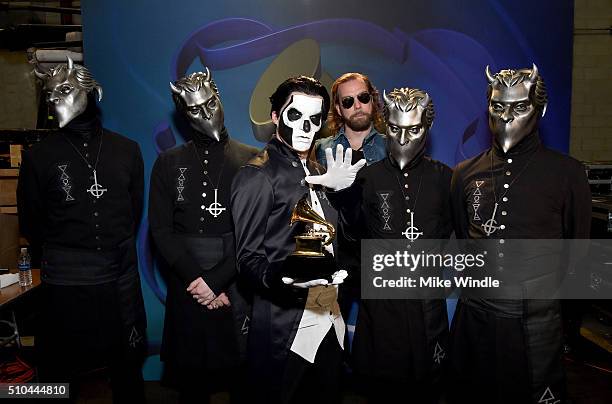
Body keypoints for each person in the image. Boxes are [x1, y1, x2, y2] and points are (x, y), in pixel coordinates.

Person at [449, 64, 591, 403]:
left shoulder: (567, 173)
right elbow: (462, 235)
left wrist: (565, 325)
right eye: (498, 107)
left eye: (520, 107)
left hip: (537, 326)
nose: (506, 116)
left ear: (540, 109)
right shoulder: (465, 173)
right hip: (475, 320)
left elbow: (578, 256)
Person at [308, 87, 452, 403]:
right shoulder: (368, 177)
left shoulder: (445, 178)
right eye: (396, 129)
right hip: (382, 306)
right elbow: (351, 235)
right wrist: (344, 198)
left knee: (429, 386)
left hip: (427, 304)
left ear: (427, 128)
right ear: (387, 125)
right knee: (379, 387)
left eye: (413, 129)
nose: (403, 139)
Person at [18, 57, 146, 402]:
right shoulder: (38, 157)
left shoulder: (127, 150)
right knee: (57, 371)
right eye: (49, 95)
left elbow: (132, 213)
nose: (54, 100)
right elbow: (32, 223)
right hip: (65, 283)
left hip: (120, 278)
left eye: (64, 90)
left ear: (93, 92)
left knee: (127, 366)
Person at [231, 76, 360, 404]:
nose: (306, 127)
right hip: (284, 328)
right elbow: (247, 260)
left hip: (330, 322)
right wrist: (286, 278)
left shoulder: (321, 172)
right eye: (295, 115)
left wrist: (346, 197)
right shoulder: (256, 175)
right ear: (275, 116)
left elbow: (344, 242)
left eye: (315, 119)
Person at [148, 69, 258, 403]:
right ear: (183, 116)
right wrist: (200, 282)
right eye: (194, 109)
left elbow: (257, 232)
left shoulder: (255, 158)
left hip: (238, 281)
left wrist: (219, 280)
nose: (206, 113)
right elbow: (160, 230)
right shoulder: (168, 163)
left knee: (245, 380)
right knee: (192, 385)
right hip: (188, 283)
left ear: (219, 99)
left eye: (210, 103)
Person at [313, 73, 387, 319]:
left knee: (381, 338)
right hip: (334, 257)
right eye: (347, 101)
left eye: (363, 98)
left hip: (379, 257)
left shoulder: (392, 147)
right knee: (330, 335)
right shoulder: (320, 150)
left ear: (373, 100)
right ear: (338, 108)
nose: (357, 106)